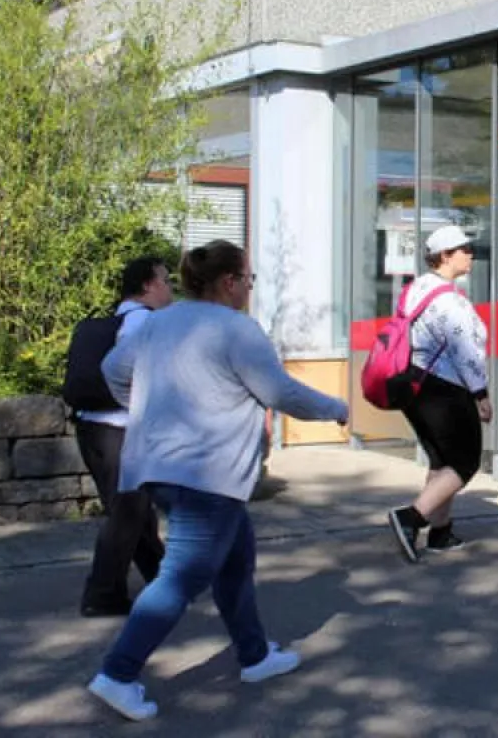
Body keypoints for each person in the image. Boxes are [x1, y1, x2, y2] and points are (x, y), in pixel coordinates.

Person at [86, 240, 349, 721]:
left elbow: (111, 370)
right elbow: (278, 390)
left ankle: (254, 655)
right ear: (229, 282)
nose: (250, 287)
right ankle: (118, 673)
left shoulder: (159, 321)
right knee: (181, 577)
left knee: (234, 560)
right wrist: (335, 408)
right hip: (206, 472)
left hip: (158, 468)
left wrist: (146, 408)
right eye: (248, 278)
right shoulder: (238, 329)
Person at [76, 257, 174, 618]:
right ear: (148, 285)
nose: (171, 288)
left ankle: (164, 578)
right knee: (127, 512)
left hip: (93, 428)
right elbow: (124, 370)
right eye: (166, 280)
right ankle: (102, 595)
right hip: (119, 430)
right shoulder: (141, 322)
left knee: (134, 510)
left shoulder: (116, 319)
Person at [387, 225, 491, 563]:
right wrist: (481, 393)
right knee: (465, 461)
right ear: (445, 256)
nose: (470, 253)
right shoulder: (447, 299)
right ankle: (411, 517)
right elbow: (464, 350)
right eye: (464, 248)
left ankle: (440, 532)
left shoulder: (418, 288)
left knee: (441, 459)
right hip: (444, 387)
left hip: (414, 383)